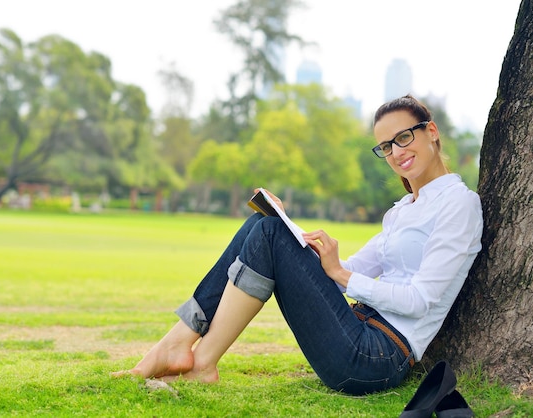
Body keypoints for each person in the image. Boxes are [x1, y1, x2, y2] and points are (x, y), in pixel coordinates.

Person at [112, 94, 483, 395]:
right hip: (354, 330)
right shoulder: (402, 211)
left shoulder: (459, 204)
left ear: (431, 131)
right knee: (266, 224)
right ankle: (181, 346)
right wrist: (288, 226)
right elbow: (332, 275)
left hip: (377, 357)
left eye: (404, 137)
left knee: (270, 233)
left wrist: (339, 271)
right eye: (386, 146)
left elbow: (419, 301)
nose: (396, 151)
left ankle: (197, 358)